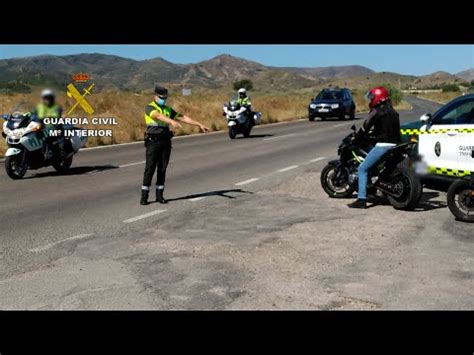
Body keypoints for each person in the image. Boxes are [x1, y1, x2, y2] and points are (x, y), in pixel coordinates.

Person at [141, 85, 210, 205]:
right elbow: (157, 116)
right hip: (153, 141)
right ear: (155, 96)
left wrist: (199, 124)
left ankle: (159, 195)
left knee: (162, 168)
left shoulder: (168, 109)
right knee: (150, 168)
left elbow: (183, 117)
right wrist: (171, 121)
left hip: (165, 141)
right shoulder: (150, 107)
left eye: (165, 98)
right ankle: (144, 196)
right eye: (161, 97)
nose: (164, 100)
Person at [347, 86, 401, 209]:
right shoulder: (393, 112)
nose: (370, 100)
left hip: (383, 146)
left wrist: (357, 136)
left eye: (372, 97)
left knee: (362, 169)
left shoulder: (377, 112)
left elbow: (365, 127)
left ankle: (361, 200)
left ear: (378, 97)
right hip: (396, 145)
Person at [32, 89, 65, 158]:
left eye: (49, 98)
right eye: (46, 98)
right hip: (42, 127)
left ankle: (61, 151)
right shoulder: (39, 107)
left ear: (52, 98)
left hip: (54, 127)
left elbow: (56, 116)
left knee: (50, 137)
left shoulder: (56, 107)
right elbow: (33, 114)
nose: (47, 100)